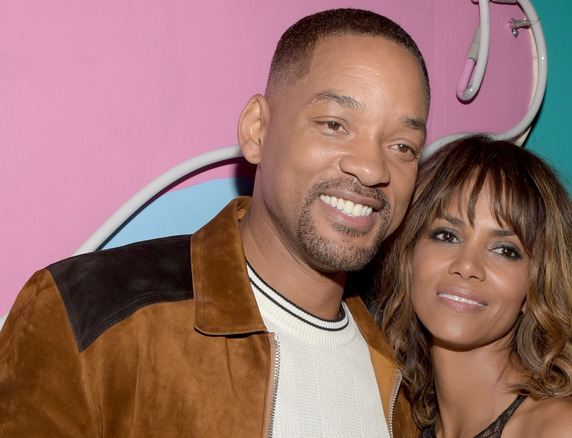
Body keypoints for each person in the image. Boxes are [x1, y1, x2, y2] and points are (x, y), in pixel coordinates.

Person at [0, 8, 428, 437]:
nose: (373, 168)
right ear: (257, 131)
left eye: (403, 146)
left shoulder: (400, 375)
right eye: (334, 124)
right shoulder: (87, 314)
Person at [375, 135, 572, 437]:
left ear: (536, 286)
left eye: (505, 250)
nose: (466, 266)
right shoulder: (395, 418)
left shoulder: (564, 430)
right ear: (408, 255)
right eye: (447, 235)